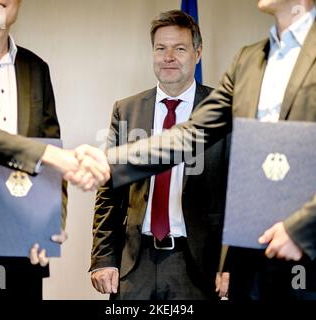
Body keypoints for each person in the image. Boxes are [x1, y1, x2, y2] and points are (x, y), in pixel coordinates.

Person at [78, 0, 316, 300]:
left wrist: (302, 227)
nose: (169, 56)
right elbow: (190, 135)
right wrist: (108, 161)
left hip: (312, 262)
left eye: (179, 48)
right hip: (249, 267)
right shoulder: (248, 59)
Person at [0, 0, 109, 300]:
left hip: (23, 249)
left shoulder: (36, 68)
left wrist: (50, 224)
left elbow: (52, 144)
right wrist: (46, 155)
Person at [90, 10, 228, 300]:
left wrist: (230, 263)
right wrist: (103, 258)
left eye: (179, 48)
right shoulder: (126, 110)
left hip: (199, 267)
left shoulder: (223, 111)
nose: (169, 57)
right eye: (160, 48)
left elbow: (239, 194)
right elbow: (108, 189)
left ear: (198, 53)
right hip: (135, 263)